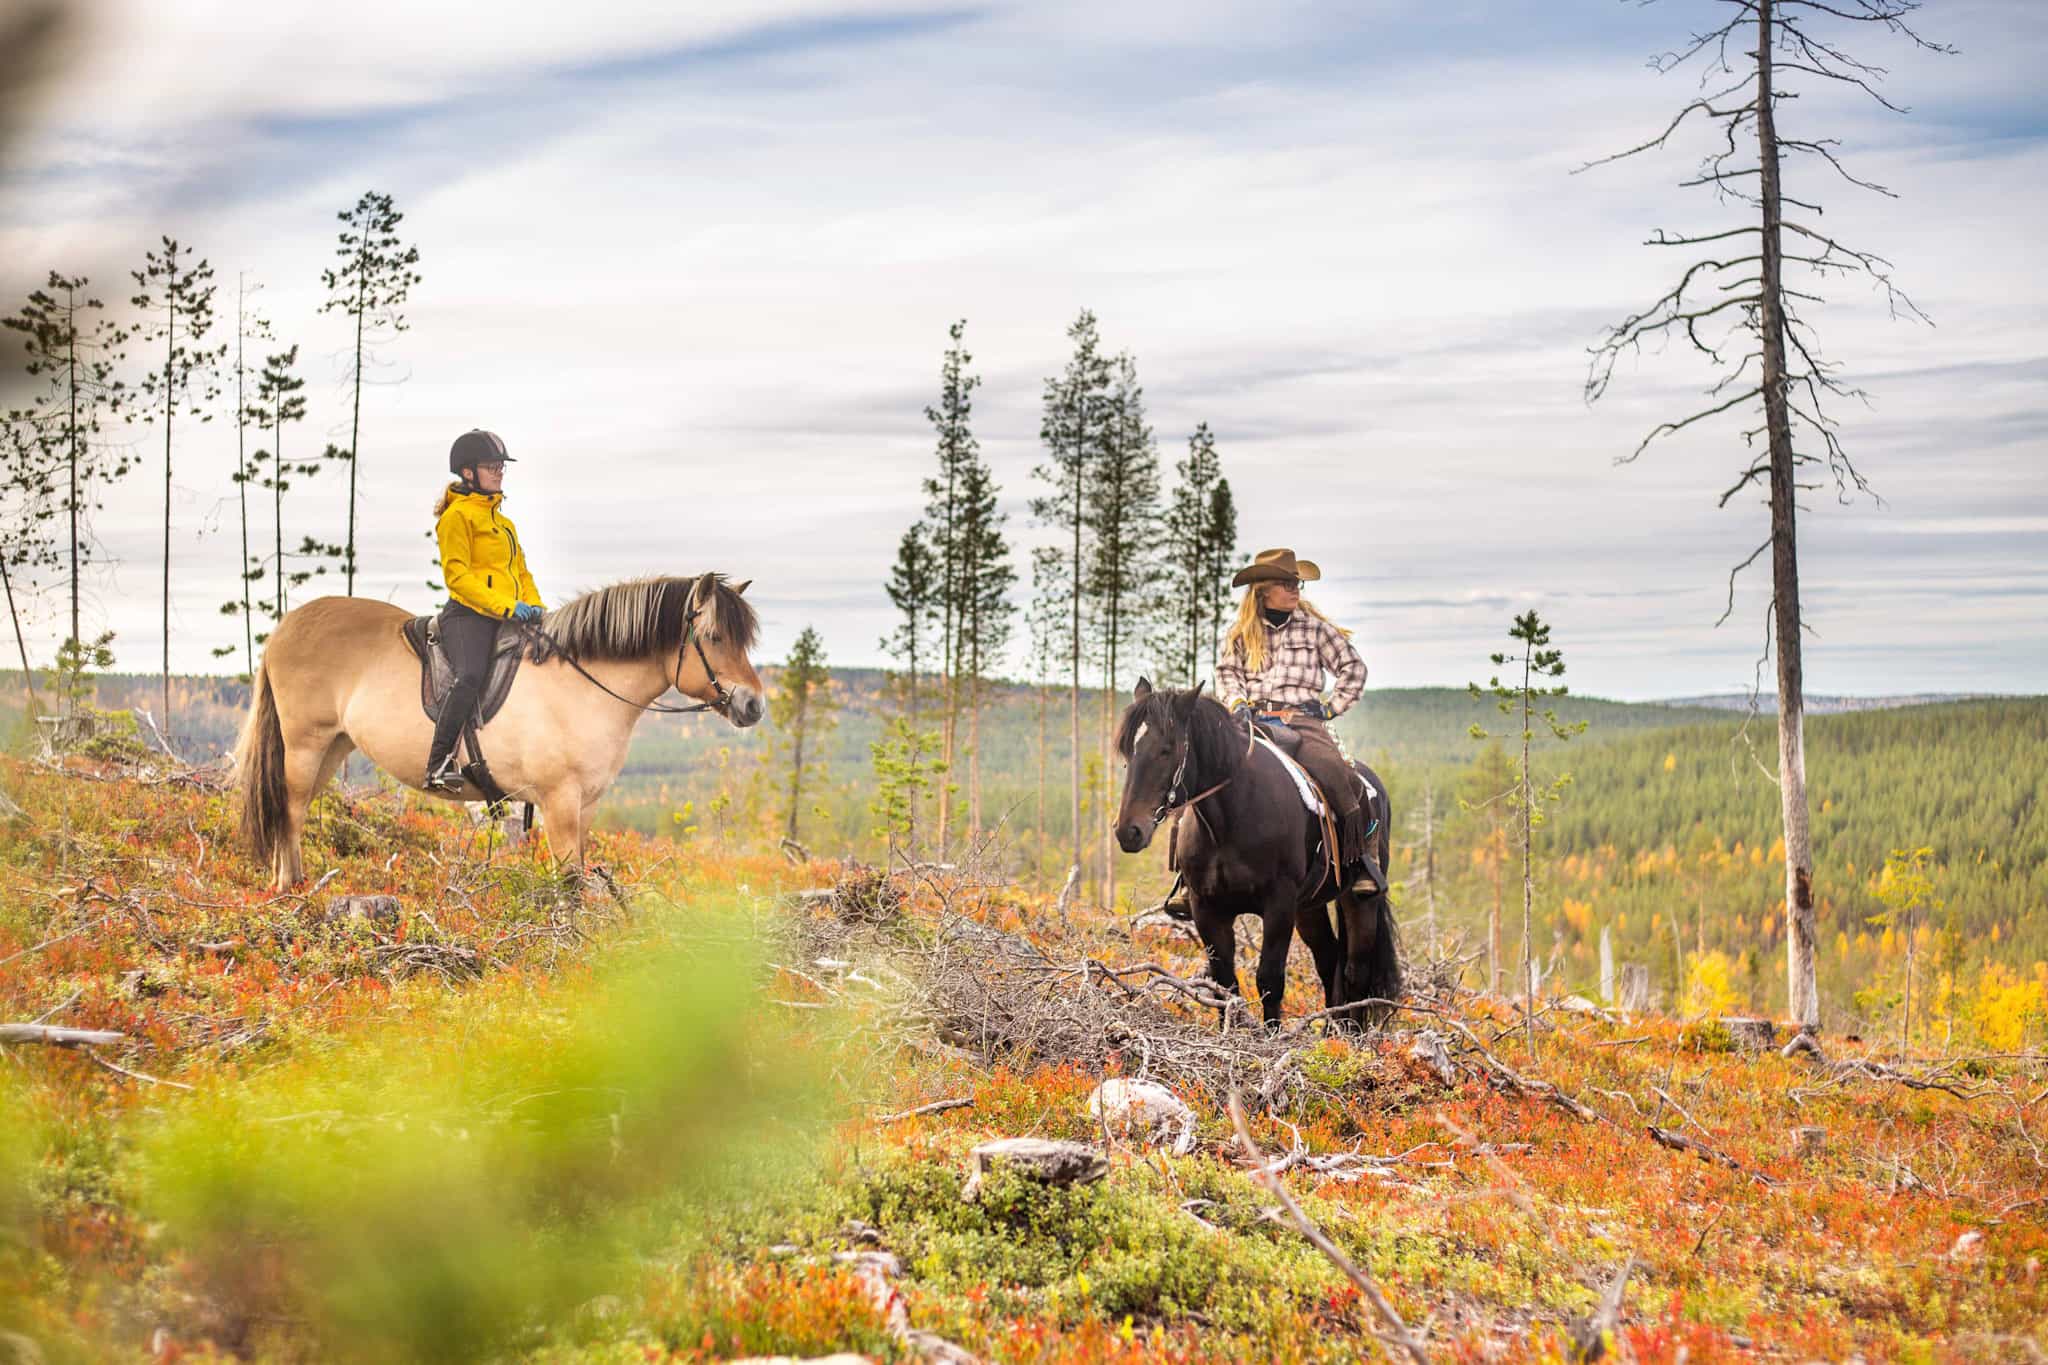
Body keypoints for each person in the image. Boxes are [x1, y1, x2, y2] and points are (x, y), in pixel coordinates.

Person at [1213, 547, 1376, 896]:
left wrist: (1331, 708)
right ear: (1263, 591)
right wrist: (1236, 702)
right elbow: (1227, 674)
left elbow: (1353, 668)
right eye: (1286, 584)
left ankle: (1360, 861)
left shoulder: (1315, 630)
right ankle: (1190, 874)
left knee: (1338, 773)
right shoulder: (1240, 633)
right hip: (1251, 720)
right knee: (1206, 773)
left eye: (1297, 584)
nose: (1294, 590)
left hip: (1301, 720)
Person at [423, 429, 544, 792]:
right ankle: (438, 764)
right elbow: (458, 578)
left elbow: (521, 572)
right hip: (468, 616)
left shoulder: (505, 524)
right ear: (468, 472)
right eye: (492, 466)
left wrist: (535, 606)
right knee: (470, 676)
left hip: (508, 613)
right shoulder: (456, 518)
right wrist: (507, 606)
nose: (499, 472)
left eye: (501, 466)